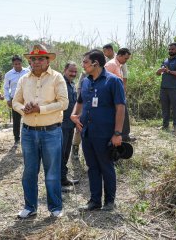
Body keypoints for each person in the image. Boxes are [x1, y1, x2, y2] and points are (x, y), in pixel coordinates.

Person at [13, 44, 68, 218]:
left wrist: (40, 109)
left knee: (52, 172)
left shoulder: (57, 77)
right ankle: (30, 207)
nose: (36, 61)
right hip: (28, 132)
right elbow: (15, 102)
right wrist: (25, 109)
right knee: (29, 171)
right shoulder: (24, 79)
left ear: (47, 61)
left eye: (40, 58)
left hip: (51, 132)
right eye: (33, 59)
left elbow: (64, 103)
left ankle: (55, 208)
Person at [71, 49, 125, 211]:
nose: (83, 65)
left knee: (106, 166)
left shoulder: (113, 81)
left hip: (105, 133)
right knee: (92, 166)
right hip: (87, 132)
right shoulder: (86, 81)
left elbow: (121, 108)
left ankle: (110, 201)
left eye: (86, 62)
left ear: (96, 63)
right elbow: (80, 101)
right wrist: (74, 115)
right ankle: (94, 201)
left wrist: (117, 133)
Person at [105, 48, 134, 142]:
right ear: (119, 55)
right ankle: (120, 136)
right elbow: (105, 80)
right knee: (119, 115)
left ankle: (125, 136)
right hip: (113, 96)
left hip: (119, 94)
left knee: (124, 115)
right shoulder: (111, 64)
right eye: (125, 58)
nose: (126, 61)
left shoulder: (119, 65)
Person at [156, 43, 176, 132]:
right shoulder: (165, 60)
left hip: (174, 88)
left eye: (172, 49)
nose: (170, 51)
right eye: (169, 49)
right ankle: (165, 125)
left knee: (175, 107)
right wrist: (158, 71)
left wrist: (169, 71)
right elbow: (158, 74)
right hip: (164, 88)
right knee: (165, 107)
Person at [61, 62, 80, 190]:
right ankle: (58, 182)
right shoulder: (60, 83)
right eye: (71, 71)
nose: (73, 74)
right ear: (65, 70)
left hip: (70, 125)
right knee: (60, 154)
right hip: (60, 125)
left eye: (75, 72)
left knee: (66, 153)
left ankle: (63, 179)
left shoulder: (72, 84)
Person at [4, 55, 30, 144]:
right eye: (15, 64)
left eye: (19, 64)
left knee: (28, 117)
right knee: (16, 119)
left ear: (21, 63)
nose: (17, 66)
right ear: (13, 64)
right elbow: (6, 88)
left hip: (27, 98)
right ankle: (16, 138)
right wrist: (8, 99)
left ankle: (27, 137)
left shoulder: (27, 72)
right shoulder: (8, 74)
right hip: (15, 99)